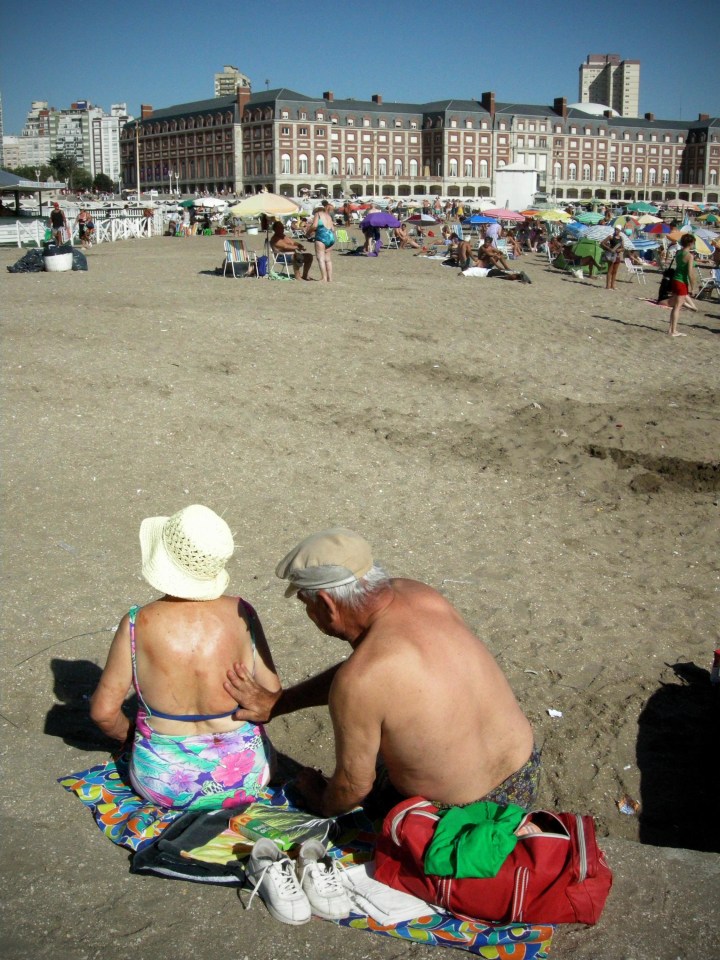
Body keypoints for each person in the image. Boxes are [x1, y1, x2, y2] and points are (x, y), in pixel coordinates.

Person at [224, 529, 539, 817]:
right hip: (523, 777)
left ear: (326, 604)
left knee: (334, 792)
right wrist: (280, 702)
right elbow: (372, 675)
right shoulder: (419, 595)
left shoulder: (362, 679)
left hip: (458, 816)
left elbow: (352, 788)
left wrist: (320, 800)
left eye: (306, 603)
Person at [90, 504, 279, 810]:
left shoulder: (137, 623)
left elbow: (103, 712)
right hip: (248, 778)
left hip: (163, 784)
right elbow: (271, 694)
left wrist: (131, 739)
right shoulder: (242, 612)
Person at [668, 233, 698, 337]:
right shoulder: (689, 256)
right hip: (681, 281)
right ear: (690, 243)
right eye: (693, 242)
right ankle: (674, 331)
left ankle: (670, 329)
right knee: (677, 307)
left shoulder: (679, 253)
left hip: (675, 279)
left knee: (675, 306)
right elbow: (690, 273)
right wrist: (692, 287)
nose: (694, 244)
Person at [307, 205, 335, 281]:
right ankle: (330, 278)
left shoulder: (318, 214)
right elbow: (333, 228)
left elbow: (315, 226)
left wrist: (308, 232)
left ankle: (324, 278)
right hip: (331, 237)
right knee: (328, 259)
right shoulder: (328, 216)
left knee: (321, 258)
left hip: (321, 236)